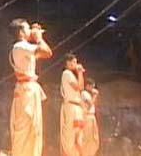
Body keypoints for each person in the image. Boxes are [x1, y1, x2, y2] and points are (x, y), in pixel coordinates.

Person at [8, 19, 53, 156]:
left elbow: (43, 53)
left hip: (28, 90)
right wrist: (39, 38)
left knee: (33, 130)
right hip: (25, 91)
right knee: (24, 129)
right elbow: (47, 51)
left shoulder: (24, 48)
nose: (30, 31)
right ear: (21, 32)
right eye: (27, 28)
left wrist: (37, 36)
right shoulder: (20, 46)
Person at [60, 53, 85, 156]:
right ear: (68, 63)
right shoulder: (67, 73)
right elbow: (78, 87)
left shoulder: (72, 75)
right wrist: (79, 72)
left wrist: (80, 73)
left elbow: (81, 87)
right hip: (71, 107)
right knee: (70, 136)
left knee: (78, 136)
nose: (76, 64)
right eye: (74, 62)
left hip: (76, 107)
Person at [80, 78, 99, 156]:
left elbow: (93, 105)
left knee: (93, 138)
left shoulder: (89, 95)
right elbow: (89, 104)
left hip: (92, 117)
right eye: (91, 86)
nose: (92, 88)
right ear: (87, 86)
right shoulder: (84, 93)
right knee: (87, 138)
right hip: (87, 117)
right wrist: (95, 95)